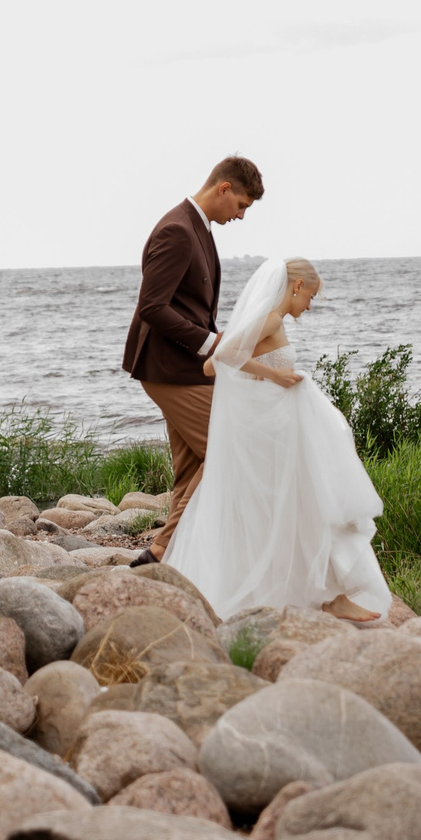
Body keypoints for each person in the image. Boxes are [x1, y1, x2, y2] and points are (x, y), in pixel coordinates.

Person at [165, 257, 390, 623]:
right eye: (311, 297)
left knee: (301, 505)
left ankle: (329, 593)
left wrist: (270, 375)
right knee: (305, 502)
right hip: (270, 430)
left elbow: (223, 362)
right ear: (297, 287)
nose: (310, 306)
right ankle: (329, 595)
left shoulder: (273, 321)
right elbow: (216, 362)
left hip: (279, 427)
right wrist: (273, 375)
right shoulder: (270, 319)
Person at [120, 156, 261, 563]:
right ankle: (163, 549)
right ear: (224, 189)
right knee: (228, 448)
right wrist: (211, 344)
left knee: (191, 466)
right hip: (168, 368)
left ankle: (176, 553)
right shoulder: (177, 230)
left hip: (185, 367)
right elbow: (152, 307)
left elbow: (188, 305)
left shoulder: (196, 226)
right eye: (242, 206)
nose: (241, 216)